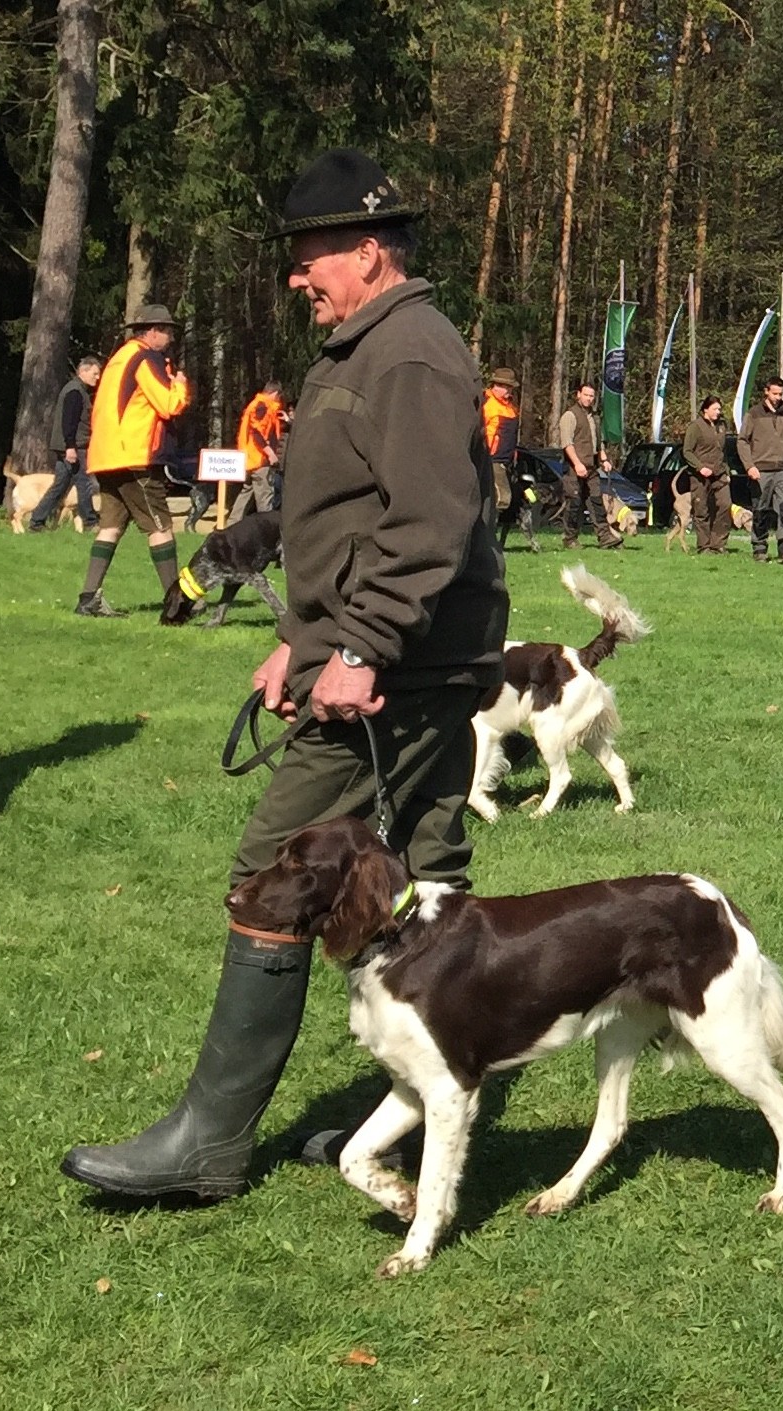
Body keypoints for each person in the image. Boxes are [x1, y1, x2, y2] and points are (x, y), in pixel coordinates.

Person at [63, 149, 508, 1201]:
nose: (297, 276)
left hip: (402, 669)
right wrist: (305, 638)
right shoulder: (367, 347)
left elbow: (427, 523)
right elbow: (348, 522)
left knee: (275, 874)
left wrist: (357, 649)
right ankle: (414, 1115)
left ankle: (208, 1146)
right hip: (409, 659)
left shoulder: (407, 356)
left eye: (309, 254)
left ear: (366, 249)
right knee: (425, 879)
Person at [75, 304, 192, 617]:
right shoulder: (146, 357)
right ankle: (176, 604)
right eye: (166, 331)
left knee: (110, 527)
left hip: (106, 456)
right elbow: (168, 405)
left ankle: (89, 597)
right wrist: (180, 385)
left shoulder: (117, 359)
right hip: (134, 456)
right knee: (160, 527)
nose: (169, 337)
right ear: (151, 331)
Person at [27, 353, 100, 532]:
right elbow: (69, 422)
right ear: (83, 371)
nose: (97, 378)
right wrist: (70, 447)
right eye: (95, 373)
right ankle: (91, 522)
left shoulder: (76, 390)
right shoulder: (75, 392)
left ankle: (36, 522)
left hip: (67, 447)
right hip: (74, 447)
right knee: (84, 483)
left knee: (60, 486)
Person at [740, 377, 783, 562]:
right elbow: (742, 441)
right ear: (766, 391)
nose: (778, 397)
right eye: (774, 393)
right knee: (761, 509)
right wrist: (749, 466)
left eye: (780, 393)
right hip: (760, 470)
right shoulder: (754, 414)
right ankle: (759, 548)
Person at [553, 380, 617, 549]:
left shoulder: (594, 417)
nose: (589, 399)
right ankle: (570, 538)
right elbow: (567, 444)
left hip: (592, 467)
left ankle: (605, 537)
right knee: (573, 504)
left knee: (597, 502)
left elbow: (598, 443)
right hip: (574, 469)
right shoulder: (570, 416)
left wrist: (603, 459)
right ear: (578, 395)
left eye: (592, 396)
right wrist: (577, 464)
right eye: (586, 395)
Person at [681, 395, 732, 554]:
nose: (718, 412)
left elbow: (723, 452)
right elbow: (687, 451)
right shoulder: (695, 427)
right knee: (701, 510)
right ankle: (704, 546)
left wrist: (727, 471)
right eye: (715, 409)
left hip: (720, 473)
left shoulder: (721, 426)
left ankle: (718, 544)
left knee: (725, 505)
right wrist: (699, 467)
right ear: (705, 409)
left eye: (719, 409)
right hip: (700, 476)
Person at [231, 378, 288, 520]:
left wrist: (287, 421)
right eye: (279, 397)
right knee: (265, 500)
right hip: (260, 460)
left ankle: (230, 527)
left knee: (245, 496)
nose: (279, 401)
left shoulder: (256, 405)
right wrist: (270, 453)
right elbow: (256, 433)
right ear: (275, 393)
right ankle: (267, 532)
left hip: (250, 459)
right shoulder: (263, 406)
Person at [478, 366, 520, 520]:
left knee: (501, 499)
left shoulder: (510, 407)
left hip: (506, 460)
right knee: (502, 498)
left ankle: (489, 534)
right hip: (492, 458)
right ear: (497, 386)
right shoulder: (486, 403)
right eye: (508, 387)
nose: (510, 391)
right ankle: (487, 534)